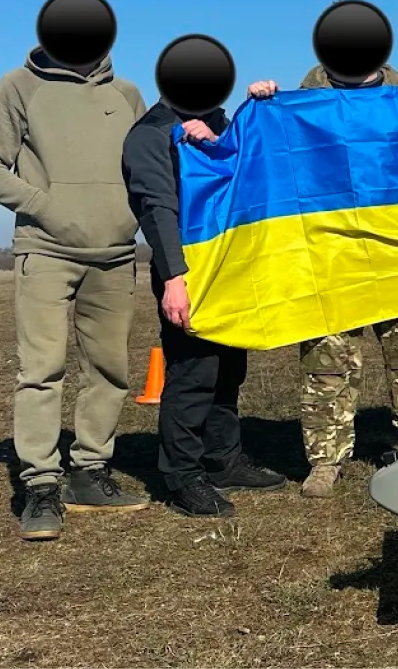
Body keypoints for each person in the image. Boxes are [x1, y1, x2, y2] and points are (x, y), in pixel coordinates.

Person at [194, 49, 398, 498]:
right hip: (331, 259)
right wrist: (259, 105)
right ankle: (326, 459)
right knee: (326, 363)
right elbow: (262, 157)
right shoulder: (301, 106)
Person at [0, 44, 152, 542]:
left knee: (110, 368)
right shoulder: (18, 86)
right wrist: (44, 206)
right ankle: (41, 485)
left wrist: (135, 220)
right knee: (42, 368)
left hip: (115, 256)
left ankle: (90, 472)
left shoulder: (127, 93)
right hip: (44, 251)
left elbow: (147, 166)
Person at [122, 86, 288, 518]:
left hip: (228, 270)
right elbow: (156, 208)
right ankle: (182, 476)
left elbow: (250, 169)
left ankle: (223, 460)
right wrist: (175, 279)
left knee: (229, 370)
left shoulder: (218, 124)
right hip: (186, 270)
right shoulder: (150, 135)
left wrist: (262, 104)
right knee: (193, 372)